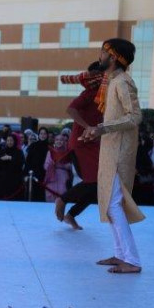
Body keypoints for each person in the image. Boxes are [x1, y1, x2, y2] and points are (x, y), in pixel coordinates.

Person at [82, 38, 145, 274]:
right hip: (111, 149)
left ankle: (132, 260)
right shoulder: (113, 81)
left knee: (114, 204)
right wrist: (97, 131)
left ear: (114, 56)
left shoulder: (123, 82)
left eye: (103, 52)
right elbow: (113, 120)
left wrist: (103, 128)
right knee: (110, 205)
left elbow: (135, 116)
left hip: (120, 152)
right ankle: (121, 255)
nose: (100, 56)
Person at [55, 62, 104, 230]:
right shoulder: (91, 92)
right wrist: (87, 126)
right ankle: (63, 199)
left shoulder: (104, 93)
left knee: (99, 186)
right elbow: (71, 110)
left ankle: (71, 215)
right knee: (94, 181)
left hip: (93, 143)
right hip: (82, 143)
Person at [43, 134, 72, 202]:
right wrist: (52, 164)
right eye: (57, 140)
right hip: (51, 179)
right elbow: (45, 166)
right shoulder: (50, 152)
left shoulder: (68, 153)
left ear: (64, 142)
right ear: (54, 141)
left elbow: (71, 167)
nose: (59, 141)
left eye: (61, 140)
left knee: (62, 199)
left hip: (63, 178)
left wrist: (62, 165)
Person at [24, 126, 50, 201]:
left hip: (45, 174)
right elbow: (28, 161)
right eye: (41, 133)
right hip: (33, 174)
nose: (43, 135)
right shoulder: (33, 146)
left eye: (44, 134)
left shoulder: (49, 147)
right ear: (38, 135)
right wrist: (26, 173)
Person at [0, 135, 24, 200]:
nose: (9, 142)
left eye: (11, 140)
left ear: (14, 141)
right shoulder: (3, 151)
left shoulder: (19, 152)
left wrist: (10, 158)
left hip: (15, 180)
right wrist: (1, 159)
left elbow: (21, 163)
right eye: (8, 140)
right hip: (4, 180)